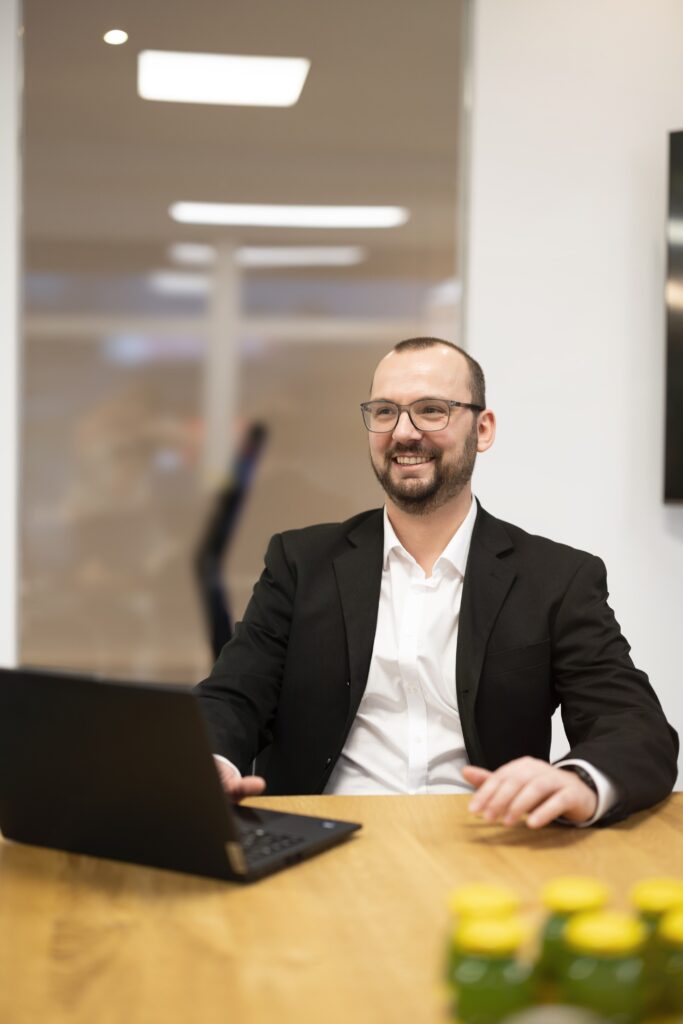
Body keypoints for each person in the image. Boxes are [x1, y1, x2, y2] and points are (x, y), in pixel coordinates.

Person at [196, 338, 678, 827]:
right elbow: (234, 695)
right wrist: (212, 762)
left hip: (486, 839)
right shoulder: (300, 563)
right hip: (323, 836)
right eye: (385, 412)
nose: (404, 433)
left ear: (483, 429)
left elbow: (634, 726)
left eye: (431, 410)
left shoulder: (557, 578)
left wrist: (579, 781)